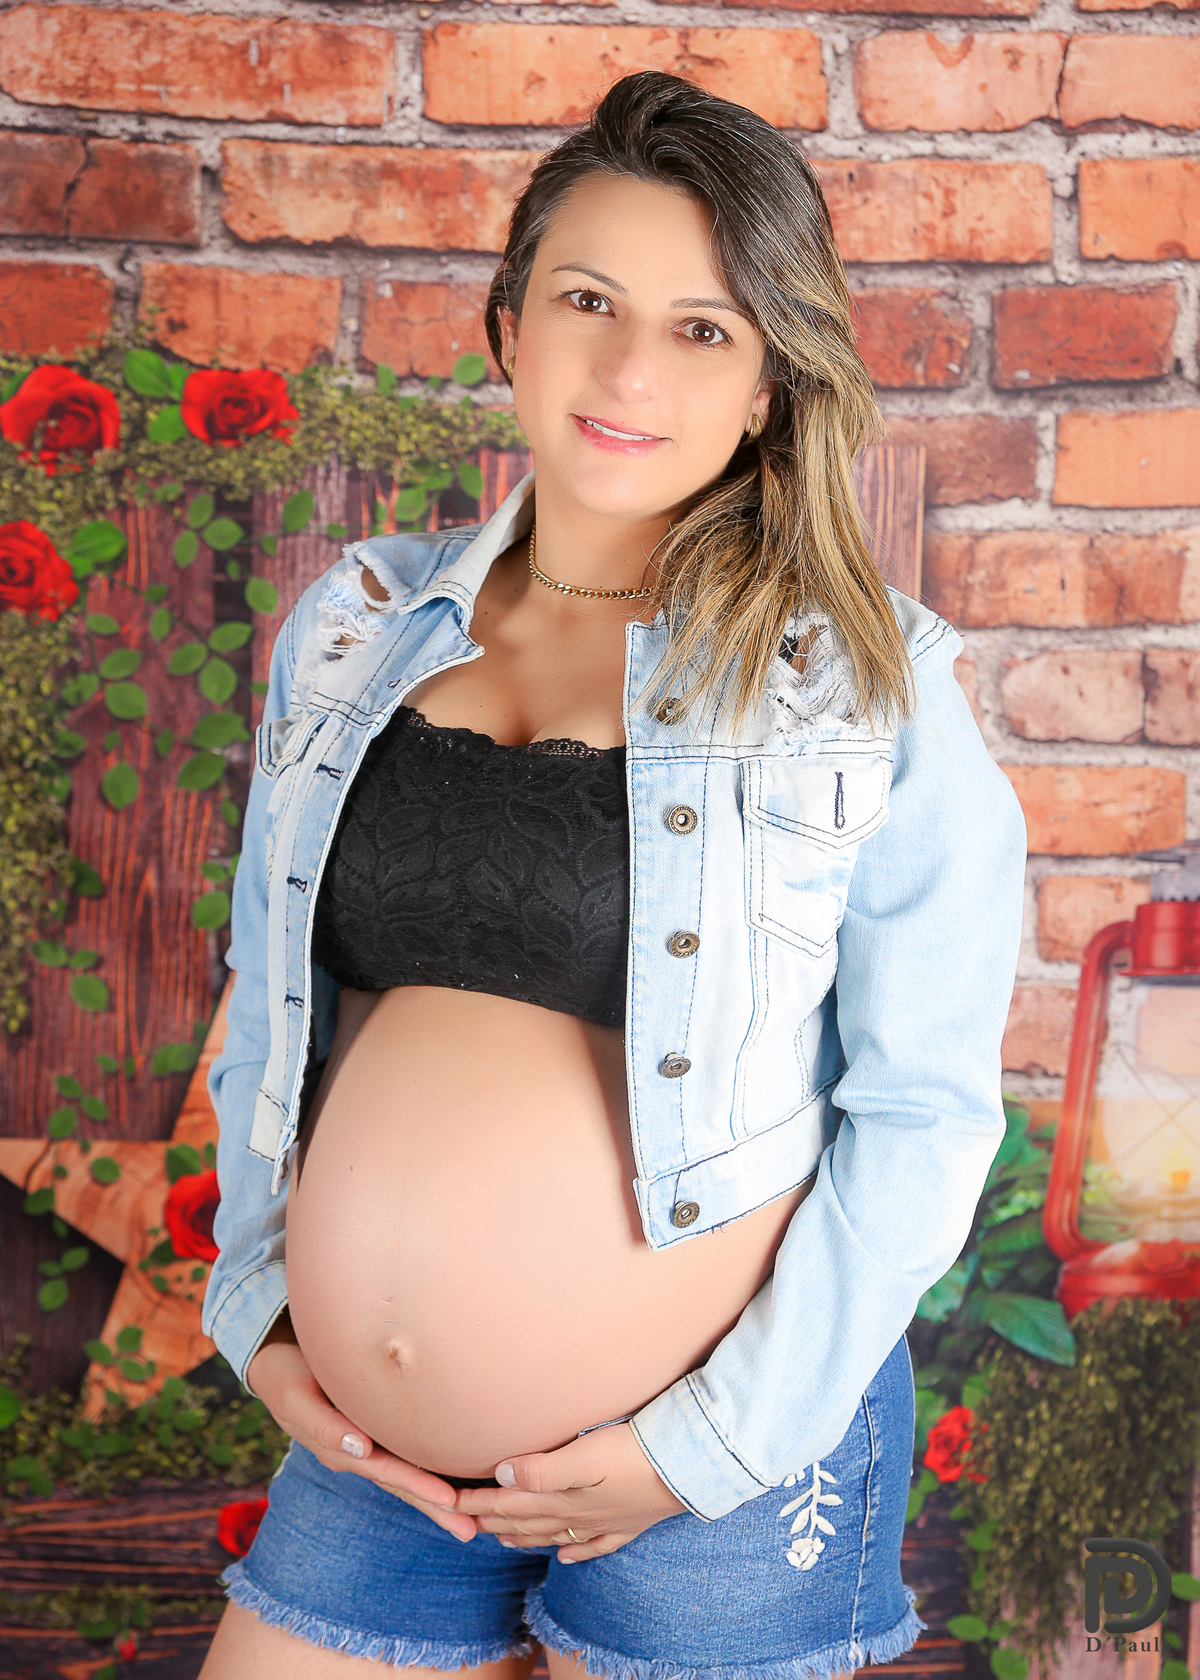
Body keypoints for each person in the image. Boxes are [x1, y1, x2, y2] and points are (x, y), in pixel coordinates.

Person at [198, 69, 1025, 1680]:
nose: (632, 367)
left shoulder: (867, 685)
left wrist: (708, 1447)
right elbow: (280, 999)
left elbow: (926, 1111)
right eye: (588, 300)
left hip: (717, 1464)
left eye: (705, 328)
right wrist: (262, 1315)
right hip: (381, 1467)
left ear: (772, 378)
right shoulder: (352, 631)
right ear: (508, 325)